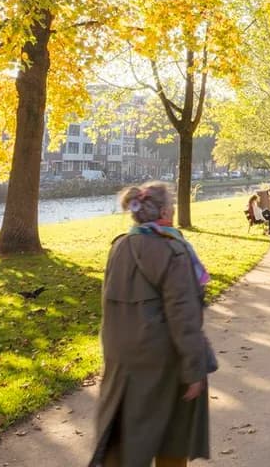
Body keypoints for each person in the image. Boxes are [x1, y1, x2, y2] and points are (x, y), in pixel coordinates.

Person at [90, 181, 210, 467]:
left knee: (126, 440)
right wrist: (194, 369)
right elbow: (184, 315)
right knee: (171, 436)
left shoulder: (119, 246)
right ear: (166, 211)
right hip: (163, 362)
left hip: (122, 358)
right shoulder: (174, 250)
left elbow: (108, 304)